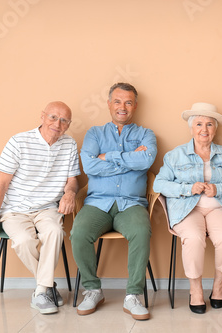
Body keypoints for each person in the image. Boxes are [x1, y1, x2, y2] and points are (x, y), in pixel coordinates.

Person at [70, 82, 156, 321]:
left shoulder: (146, 134)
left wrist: (108, 157)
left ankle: (133, 296)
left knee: (141, 231)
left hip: (132, 204)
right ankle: (92, 290)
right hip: (97, 203)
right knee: (78, 233)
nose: (122, 107)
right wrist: (129, 159)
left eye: (128, 102)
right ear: (109, 105)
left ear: (135, 106)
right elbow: (89, 166)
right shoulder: (94, 134)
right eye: (117, 101)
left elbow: (146, 161)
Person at [0, 101, 80, 314]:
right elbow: (1, 185)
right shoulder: (19, 142)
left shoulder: (69, 144)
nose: (58, 123)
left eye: (64, 120)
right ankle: (46, 287)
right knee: (24, 241)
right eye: (53, 117)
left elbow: (72, 180)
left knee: (55, 232)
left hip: (47, 208)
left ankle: (40, 292)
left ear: (68, 124)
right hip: (15, 209)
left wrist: (70, 192)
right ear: (42, 116)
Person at [154, 102, 222, 314]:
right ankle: (195, 290)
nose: (204, 130)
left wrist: (220, 189)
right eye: (198, 124)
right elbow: (159, 184)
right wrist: (188, 188)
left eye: (209, 124)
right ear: (191, 129)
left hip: (220, 207)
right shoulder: (175, 155)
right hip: (187, 209)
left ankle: (218, 286)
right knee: (194, 238)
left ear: (215, 129)